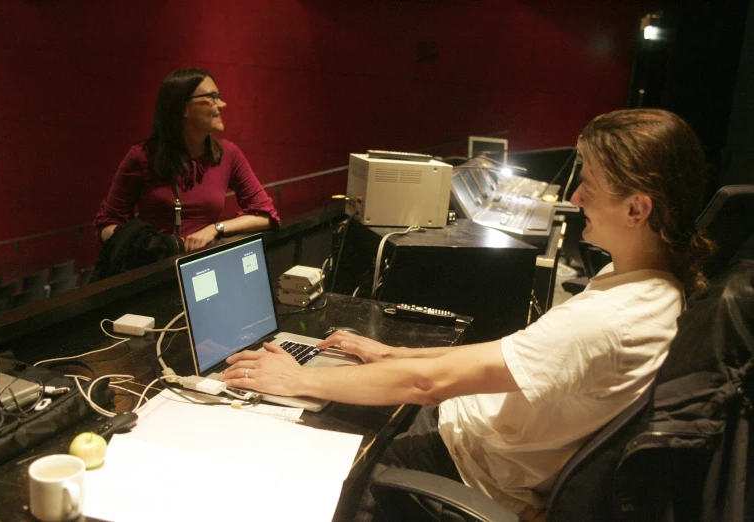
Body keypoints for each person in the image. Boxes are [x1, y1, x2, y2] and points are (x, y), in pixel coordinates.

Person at [219, 108, 715, 520]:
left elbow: (426, 387)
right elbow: (506, 355)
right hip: (465, 432)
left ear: (637, 210)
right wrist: (390, 353)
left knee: (298, 457)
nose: (575, 197)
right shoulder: (651, 287)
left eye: (591, 185)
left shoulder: (609, 321)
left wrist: (295, 378)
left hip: (464, 466)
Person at [94, 68, 280, 253]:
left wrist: (215, 229)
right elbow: (107, 224)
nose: (222, 104)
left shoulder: (228, 154)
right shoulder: (141, 156)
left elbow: (266, 215)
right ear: (183, 108)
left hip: (202, 267)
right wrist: (148, 246)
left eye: (219, 95)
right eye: (212, 97)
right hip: (154, 270)